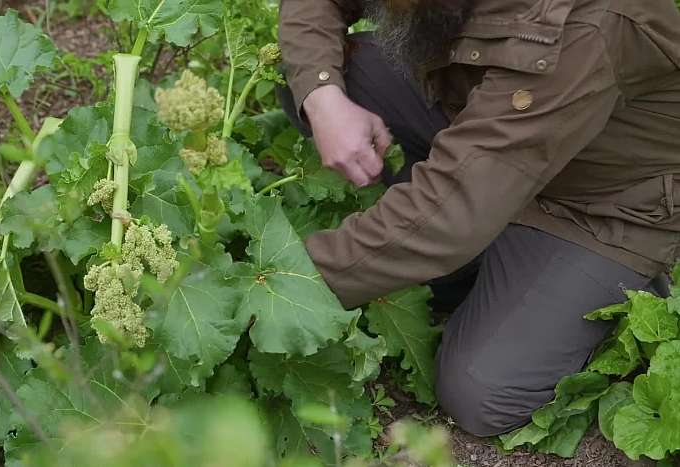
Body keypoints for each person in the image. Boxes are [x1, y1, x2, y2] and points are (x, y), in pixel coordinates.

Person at [278, 0, 680, 437]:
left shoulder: (588, 22)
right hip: (482, 113)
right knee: (320, 72)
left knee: (480, 392)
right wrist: (322, 97)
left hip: (597, 206)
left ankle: (605, 281)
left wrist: (283, 284)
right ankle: (475, 254)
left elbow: (445, 220)